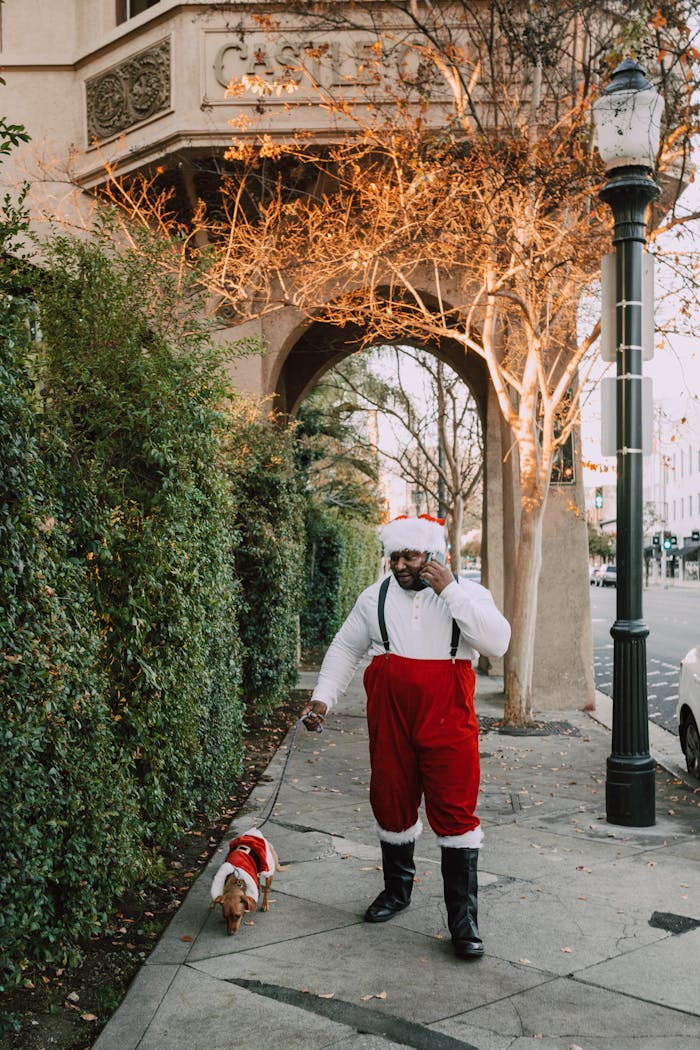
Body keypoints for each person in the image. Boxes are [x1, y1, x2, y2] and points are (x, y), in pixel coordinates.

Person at [300, 514, 511, 959]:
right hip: (391, 718)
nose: (400, 565)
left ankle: (463, 918)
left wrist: (449, 589)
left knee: (455, 811)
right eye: (394, 556)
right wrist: (322, 699)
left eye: (410, 556)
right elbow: (344, 648)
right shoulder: (373, 598)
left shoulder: (467, 594)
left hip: (448, 719)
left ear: (433, 556)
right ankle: (396, 891)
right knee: (391, 800)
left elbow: (497, 642)